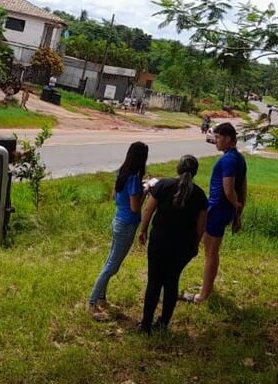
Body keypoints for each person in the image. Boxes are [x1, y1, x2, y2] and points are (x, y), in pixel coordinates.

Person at [138, 155, 208, 333]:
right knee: (171, 281)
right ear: (195, 173)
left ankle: (145, 324)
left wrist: (143, 230)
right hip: (182, 244)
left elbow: (148, 210)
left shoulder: (163, 185)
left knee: (154, 280)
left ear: (178, 168)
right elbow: (201, 226)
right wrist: (195, 245)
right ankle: (163, 324)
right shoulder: (200, 195)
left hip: (160, 239)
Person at [184, 122, 247, 304]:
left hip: (218, 209)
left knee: (211, 252)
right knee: (210, 251)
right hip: (220, 209)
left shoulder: (228, 160)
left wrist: (236, 204)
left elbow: (228, 189)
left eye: (218, 137)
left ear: (228, 139)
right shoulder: (237, 157)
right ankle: (207, 287)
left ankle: (203, 296)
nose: (216, 140)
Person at [88, 141, 149, 317]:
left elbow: (115, 196)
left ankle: (101, 299)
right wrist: (146, 191)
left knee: (109, 262)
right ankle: (92, 303)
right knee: (112, 267)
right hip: (127, 225)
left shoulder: (121, 173)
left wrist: (140, 186)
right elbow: (135, 207)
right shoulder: (134, 179)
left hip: (118, 221)